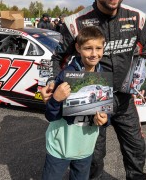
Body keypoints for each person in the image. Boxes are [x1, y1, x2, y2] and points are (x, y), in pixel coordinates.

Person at [41, 0, 146, 180]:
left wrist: (144, 84)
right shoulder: (75, 22)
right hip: (92, 98)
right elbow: (58, 58)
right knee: (94, 157)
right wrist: (52, 82)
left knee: (136, 149)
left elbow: (143, 55)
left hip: (125, 99)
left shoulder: (138, 18)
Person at [42, 26, 109, 180]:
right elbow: (50, 116)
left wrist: (105, 120)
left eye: (98, 48)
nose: (94, 54)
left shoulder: (104, 76)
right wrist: (56, 99)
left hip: (85, 148)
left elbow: (106, 112)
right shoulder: (65, 75)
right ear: (78, 48)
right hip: (60, 147)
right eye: (88, 48)